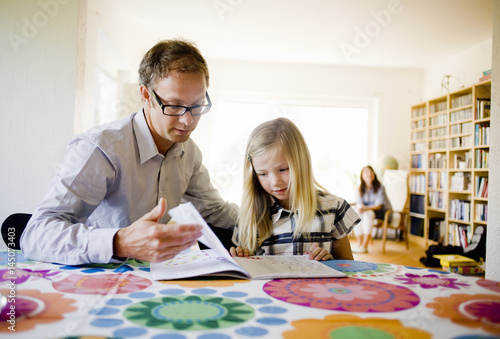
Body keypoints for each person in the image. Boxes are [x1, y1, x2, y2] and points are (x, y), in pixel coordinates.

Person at [20, 39, 238, 265]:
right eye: (174, 105)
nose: (188, 120)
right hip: (94, 278)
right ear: (146, 95)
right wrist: (120, 242)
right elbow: (35, 235)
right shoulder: (100, 149)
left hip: (152, 280)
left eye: (197, 105)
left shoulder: (189, 151)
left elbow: (214, 211)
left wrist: (269, 214)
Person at [229, 118, 359, 261]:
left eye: (283, 169)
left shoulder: (334, 208)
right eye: (263, 174)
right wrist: (242, 258)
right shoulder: (249, 215)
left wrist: (330, 262)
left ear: (301, 162)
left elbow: (348, 268)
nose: (275, 182)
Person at [352, 165, 392, 253]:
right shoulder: (360, 188)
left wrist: (364, 208)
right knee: (356, 213)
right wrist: (360, 207)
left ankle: (364, 246)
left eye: (370, 172)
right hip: (368, 211)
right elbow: (359, 203)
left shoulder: (380, 187)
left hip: (382, 212)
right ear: (362, 176)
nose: (369, 174)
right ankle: (359, 244)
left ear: (374, 174)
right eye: (366, 172)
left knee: (367, 214)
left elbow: (378, 205)